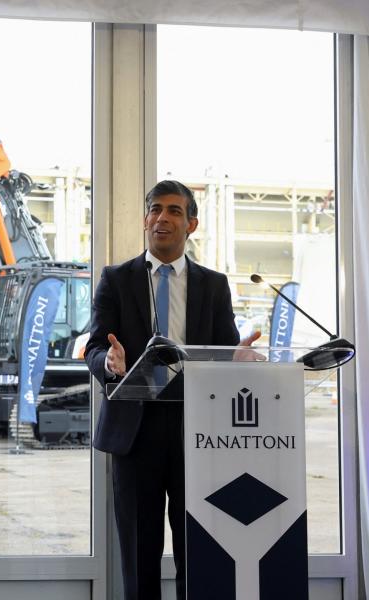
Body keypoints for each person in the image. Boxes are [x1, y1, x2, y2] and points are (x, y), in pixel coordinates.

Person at [84, 180, 258, 600]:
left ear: (191, 224)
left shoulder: (213, 285)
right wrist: (108, 364)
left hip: (197, 433)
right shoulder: (116, 279)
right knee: (139, 556)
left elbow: (223, 351)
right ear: (146, 219)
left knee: (196, 552)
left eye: (174, 211)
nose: (162, 218)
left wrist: (239, 361)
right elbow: (93, 346)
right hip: (135, 432)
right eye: (155, 209)